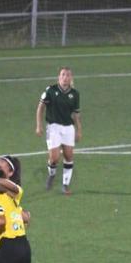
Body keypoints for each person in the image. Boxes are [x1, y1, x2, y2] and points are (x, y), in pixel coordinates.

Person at [35, 66, 81, 194]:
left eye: (68, 75)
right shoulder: (50, 90)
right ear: (59, 77)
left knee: (68, 156)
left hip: (68, 128)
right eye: (63, 75)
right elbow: (40, 108)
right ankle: (52, 174)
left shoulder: (75, 94)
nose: (65, 77)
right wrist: (39, 125)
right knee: (54, 158)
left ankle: (65, 185)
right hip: (54, 127)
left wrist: (79, 129)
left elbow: (76, 114)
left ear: (71, 78)